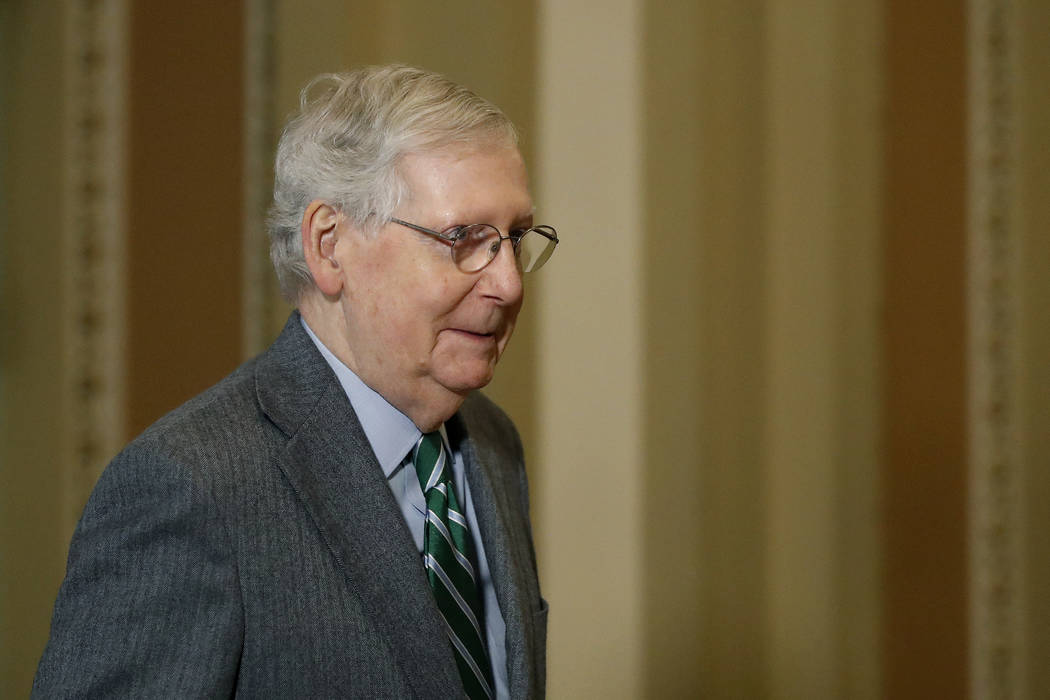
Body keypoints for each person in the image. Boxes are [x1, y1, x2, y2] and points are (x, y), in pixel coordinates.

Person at [33, 65, 555, 699]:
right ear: (329, 245)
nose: (510, 283)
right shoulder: (191, 486)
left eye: (516, 238)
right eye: (464, 238)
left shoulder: (493, 446)